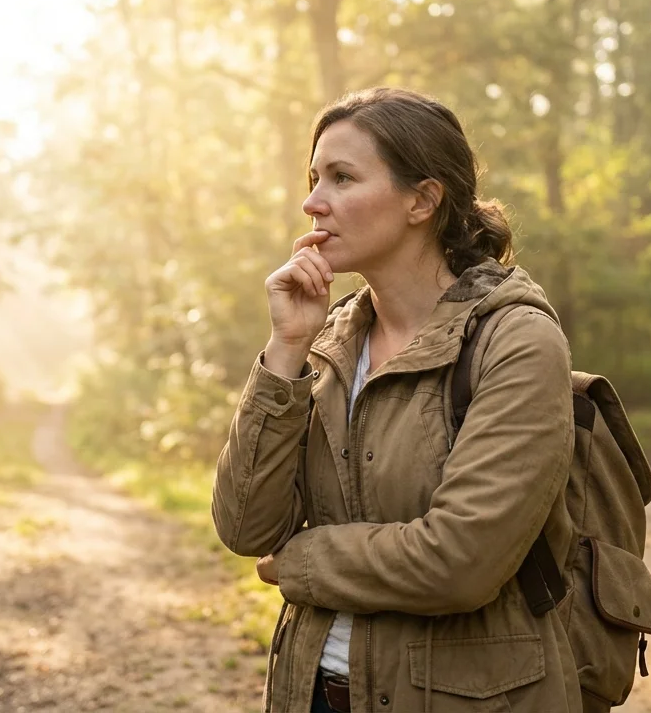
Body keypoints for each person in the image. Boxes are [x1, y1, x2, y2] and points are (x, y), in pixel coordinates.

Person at [212, 87, 581, 713]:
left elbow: (460, 561)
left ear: (422, 200)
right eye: (313, 178)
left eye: (342, 177)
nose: (312, 201)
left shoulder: (515, 341)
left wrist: (303, 561)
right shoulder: (326, 342)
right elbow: (247, 526)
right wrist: (286, 347)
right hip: (313, 695)